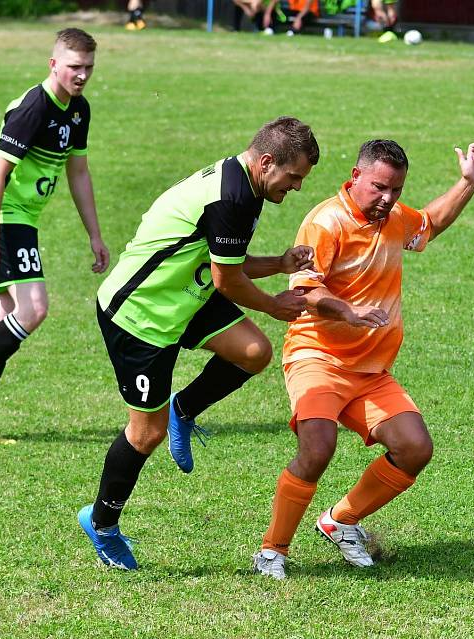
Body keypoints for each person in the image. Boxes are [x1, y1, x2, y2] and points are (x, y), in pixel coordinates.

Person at [78, 116, 319, 570]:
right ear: (268, 162)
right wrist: (275, 306)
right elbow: (228, 279)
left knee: (252, 353)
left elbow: (225, 260)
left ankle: (182, 409)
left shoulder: (246, 183)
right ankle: (103, 522)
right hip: (141, 314)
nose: (297, 187)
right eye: (294, 177)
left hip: (187, 293)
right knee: (144, 435)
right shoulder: (232, 196)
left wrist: (280, 262)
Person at [252, 139, 474, 579]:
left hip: (369, 370)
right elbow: (306, 289)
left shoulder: (394, 218)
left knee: (415, 448)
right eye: (379, 187)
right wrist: (349, 312)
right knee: (318, 448)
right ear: (355, 176)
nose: (387, 199)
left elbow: (430, 224)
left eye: (396, 190)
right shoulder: (326, 222)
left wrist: (467, 183)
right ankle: (272, 551)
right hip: (317, 356)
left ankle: (340, 521)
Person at [0, 28, 109, 444]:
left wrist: (95, 235)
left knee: (2, 314)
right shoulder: (35, 107)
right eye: (74, 66)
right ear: (54, 64)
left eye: (88, 67)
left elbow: (79, 172)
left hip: (21, 218)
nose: (82, 75)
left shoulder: (79, 110)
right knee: (33, 309)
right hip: (0, 215)